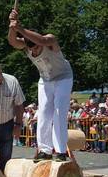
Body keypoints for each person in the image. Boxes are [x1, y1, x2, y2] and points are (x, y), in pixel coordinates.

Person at [8, 9, 73, 162]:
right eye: (32, 49)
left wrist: (20, 28)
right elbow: (12, 41)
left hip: (63, 78)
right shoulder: (26, 45)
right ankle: (44, 149)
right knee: (43, 112)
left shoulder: (49, 40)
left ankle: (61, 151)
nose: (35, 51)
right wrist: (12, 27)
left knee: (59, 112)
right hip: (45, 80)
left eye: (36, 48)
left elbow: (43, 41)